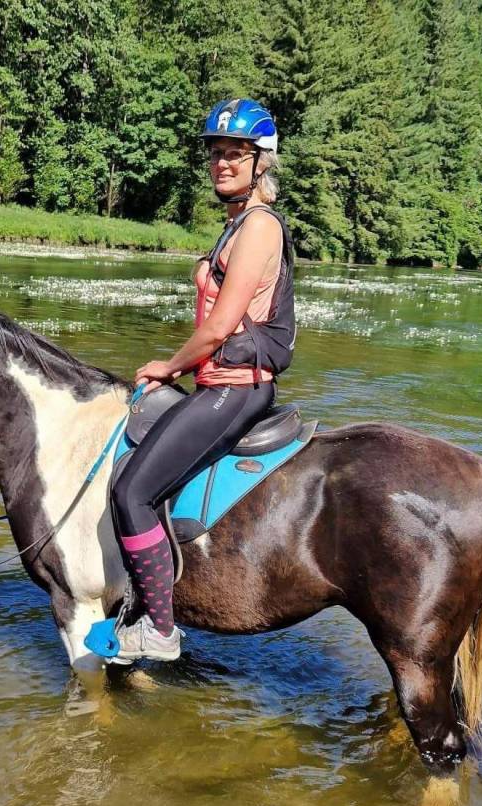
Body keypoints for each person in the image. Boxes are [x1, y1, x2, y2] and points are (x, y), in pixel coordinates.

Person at [110, 98, 296, 662]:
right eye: (216, 154)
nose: (222, 163)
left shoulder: (259, 229)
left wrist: (167, 366)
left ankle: (161, 630)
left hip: (234, 388)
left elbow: (218, 327)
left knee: (131, 491)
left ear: (261, 162)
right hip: (218, 383)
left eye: (235, 154)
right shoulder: (235, 225)